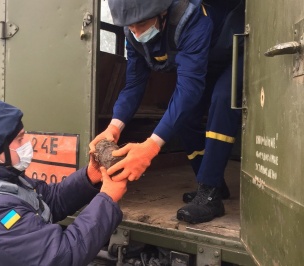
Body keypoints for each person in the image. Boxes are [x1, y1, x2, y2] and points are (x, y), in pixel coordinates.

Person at [89, 0, 244, 224]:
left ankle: (210, 194)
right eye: (129, 26)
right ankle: (214, 184)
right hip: (204, 61)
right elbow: (133, 85)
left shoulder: (191, 18)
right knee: (185, 118)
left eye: (141, 23)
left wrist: (151, 147)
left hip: (234, 54)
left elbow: (189, 90)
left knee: (222, 100)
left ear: (162, 12)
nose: (135, 31)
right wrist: (113, 127)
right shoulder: (133, 33)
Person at [0, 98, 128, 266]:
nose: (28, 145)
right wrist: (107, 199)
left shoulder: (0, 180)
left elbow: (49, 201)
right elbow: (62, 256)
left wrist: (89, 175)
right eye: (20, 140)